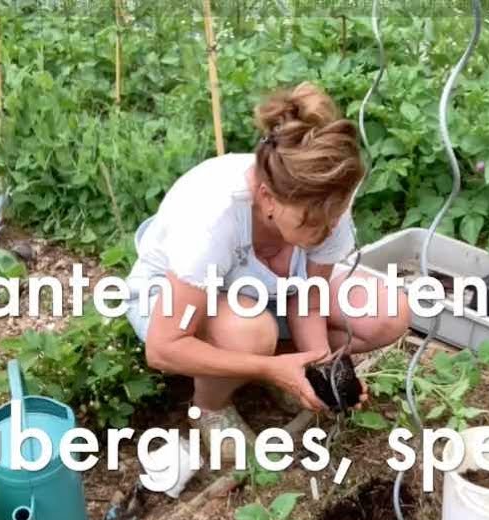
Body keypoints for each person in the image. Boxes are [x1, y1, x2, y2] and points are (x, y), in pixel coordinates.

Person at [124, 82, 411, 451]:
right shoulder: (212, 220)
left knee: (387, 312)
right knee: (249, 331)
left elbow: (309, 297)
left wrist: (319, 369)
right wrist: (267, 367)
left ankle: (278, 367)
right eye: (310, 223)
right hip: (175, 302)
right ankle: (211, 405)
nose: (325, 231)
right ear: (266, 198)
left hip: (267, 294)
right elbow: (164, 348)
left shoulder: (322, 198)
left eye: (335, 217)